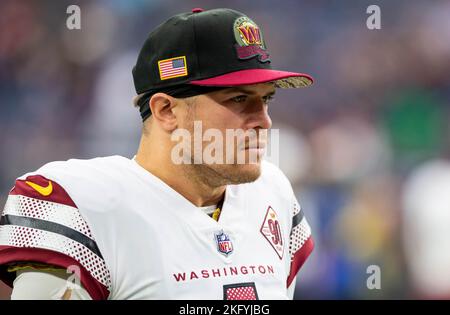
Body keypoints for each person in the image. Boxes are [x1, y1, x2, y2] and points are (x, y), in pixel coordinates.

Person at [0, 7, 314, 300]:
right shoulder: (84, 206)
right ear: (166, 110)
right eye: (237, 99)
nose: (264, 120)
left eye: (266, 99)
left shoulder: (273, 194)